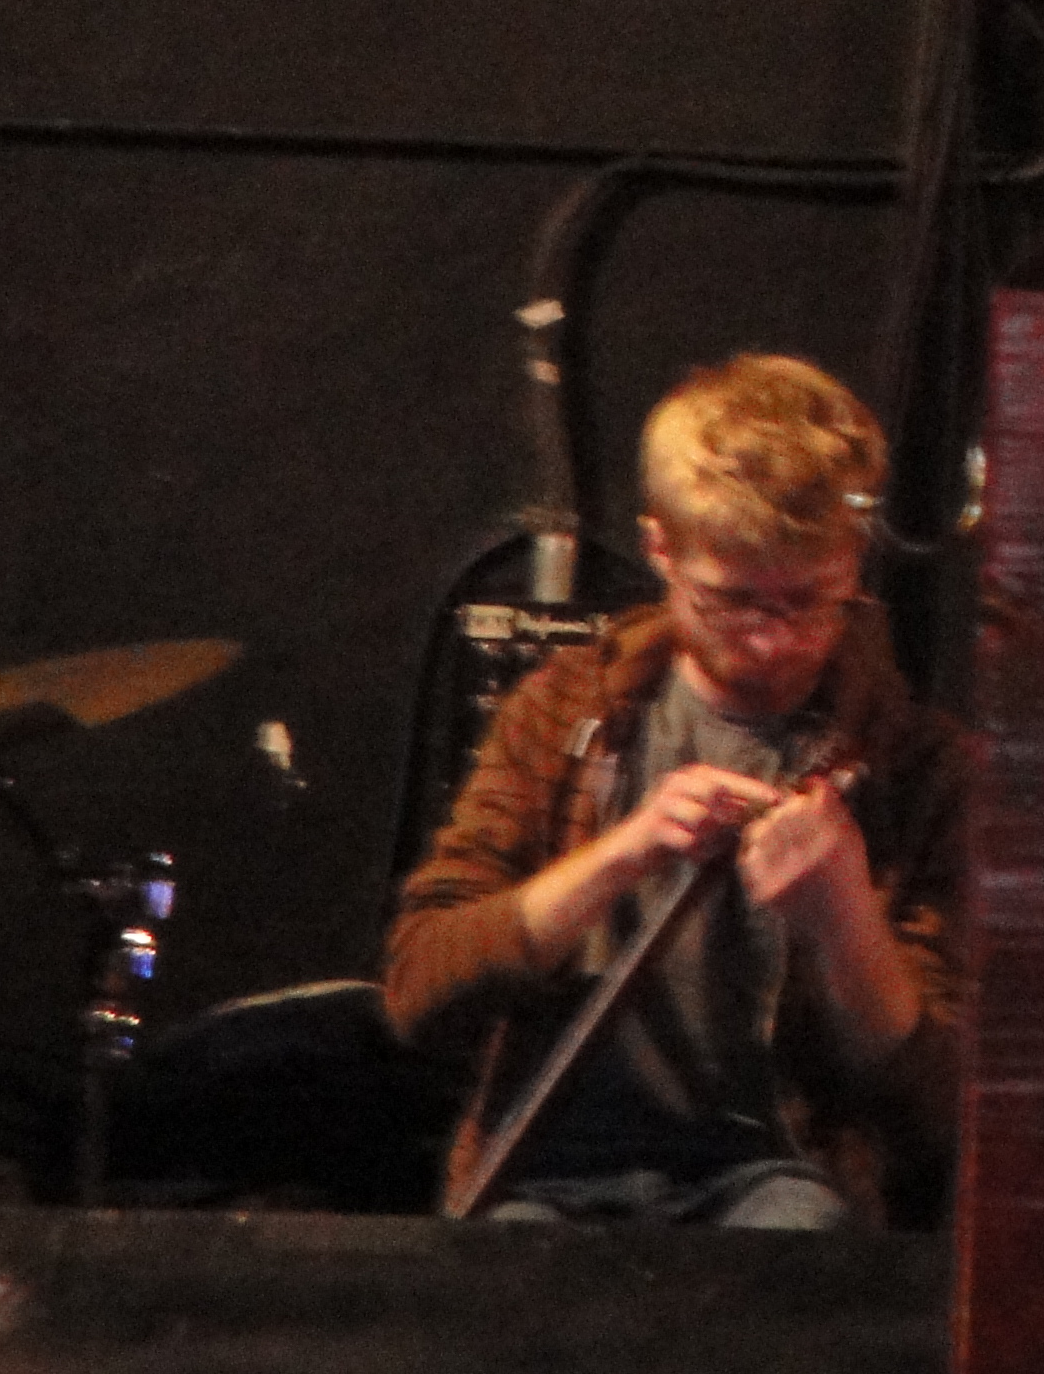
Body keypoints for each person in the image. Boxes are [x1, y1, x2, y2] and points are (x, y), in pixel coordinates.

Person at [385, 352, 969, 1227]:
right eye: (733, 601)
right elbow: (419, 991)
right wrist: (620, 854)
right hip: (552, 1175)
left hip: (773, 1174)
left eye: (810, 602)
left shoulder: (915, 765)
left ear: (855, 560)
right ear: (660, 547)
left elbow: (941, 1113)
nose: (773, 641)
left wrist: (845, 916)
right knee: (510, 1265)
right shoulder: (562, 712)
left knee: (799, 1234)